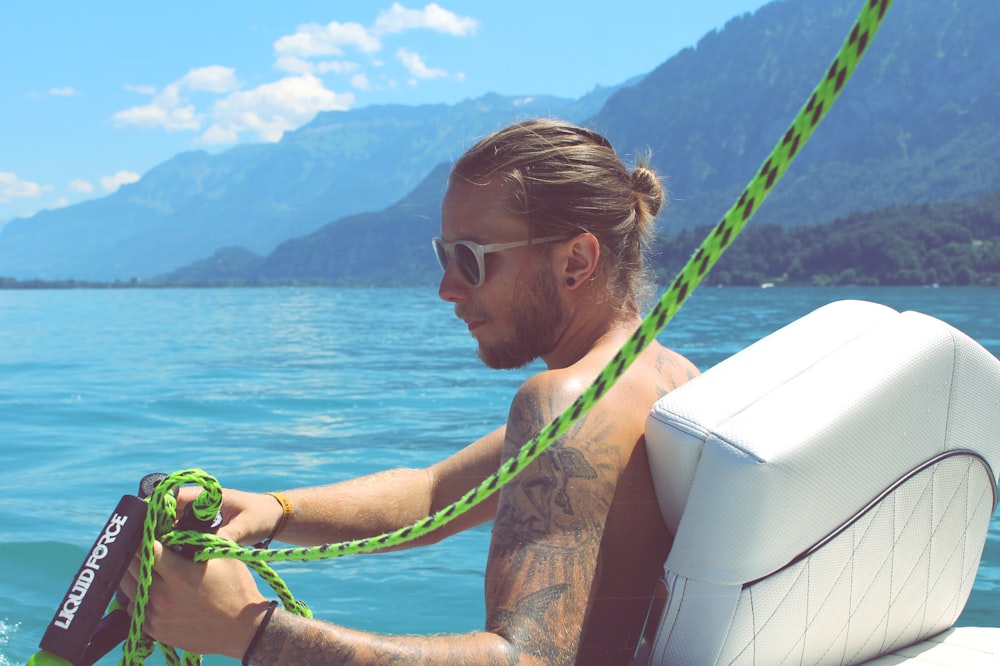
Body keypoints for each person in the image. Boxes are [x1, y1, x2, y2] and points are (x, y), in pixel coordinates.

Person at [120, 118, 699, 664]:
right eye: (445, 255)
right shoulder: (664, 378)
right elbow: (431, 494)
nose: (447, 288)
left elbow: (528, 658)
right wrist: (274, 510)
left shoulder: (563, 401)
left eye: (471, 259)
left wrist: (248, 631)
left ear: (576, 260)